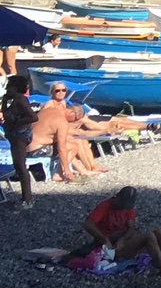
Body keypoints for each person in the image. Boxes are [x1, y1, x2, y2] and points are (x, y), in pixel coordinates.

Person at [81, 186, 161, 275]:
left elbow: (132, 228)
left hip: (122, 241)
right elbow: (88, 224)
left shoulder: (128, 209)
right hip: (109, 247)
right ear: (117, 197)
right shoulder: (105, 206)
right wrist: (104, 239)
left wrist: (122, 239)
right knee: (148, 236)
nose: (124, 208)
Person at [34, 84, 99, 180]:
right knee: (71, 144)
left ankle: (88, 168)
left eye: (63, 90)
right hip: (39, 147)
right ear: (52, 92)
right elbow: (60, 145)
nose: (61, 92)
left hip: (45, 140)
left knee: (78, 141)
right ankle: (62, 173)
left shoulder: (63, 104)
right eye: (57, 90)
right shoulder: (49, 106)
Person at [3, 73, 36, 208]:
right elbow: (6, 113)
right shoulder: (8, 98)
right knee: (18, 165)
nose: (7, 88)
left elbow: (33, 117)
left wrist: (16, 122)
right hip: (13, 133)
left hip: (21, 134)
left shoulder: (21, 99)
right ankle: (25, 197)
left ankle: (28, 199)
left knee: (20, 165)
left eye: (10, 86)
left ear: (16, 88)